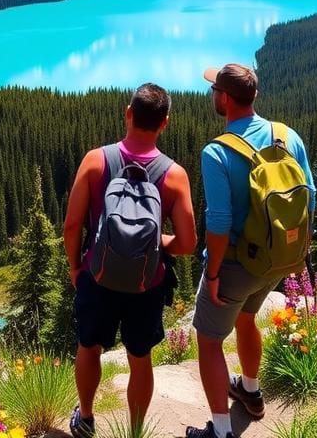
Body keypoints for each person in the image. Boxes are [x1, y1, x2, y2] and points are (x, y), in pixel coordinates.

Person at [187, 64, 316, 438]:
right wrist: (297, 249)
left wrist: (212, 273)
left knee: (209, 340)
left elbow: (219, 223)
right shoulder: (286, 135)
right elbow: (311, 195)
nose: (212, 94)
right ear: (254, 96)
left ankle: (222, 430)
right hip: (278, 260)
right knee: (246, 318)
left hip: (235, 266)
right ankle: (250, 391)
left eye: (215, 89)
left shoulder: (217, 152)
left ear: (225, 99)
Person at [63, 83, 197, 437]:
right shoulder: (174, 174)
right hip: (146, 283)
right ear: (164, 123)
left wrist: (77, 267)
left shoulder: (96, 160)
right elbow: (186, 243)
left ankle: (87, 419)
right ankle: (135, 430)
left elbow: (72, 224)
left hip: (98, 276)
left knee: (88, 347)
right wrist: (157, 241)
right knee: (140, 359)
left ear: (128, 113)